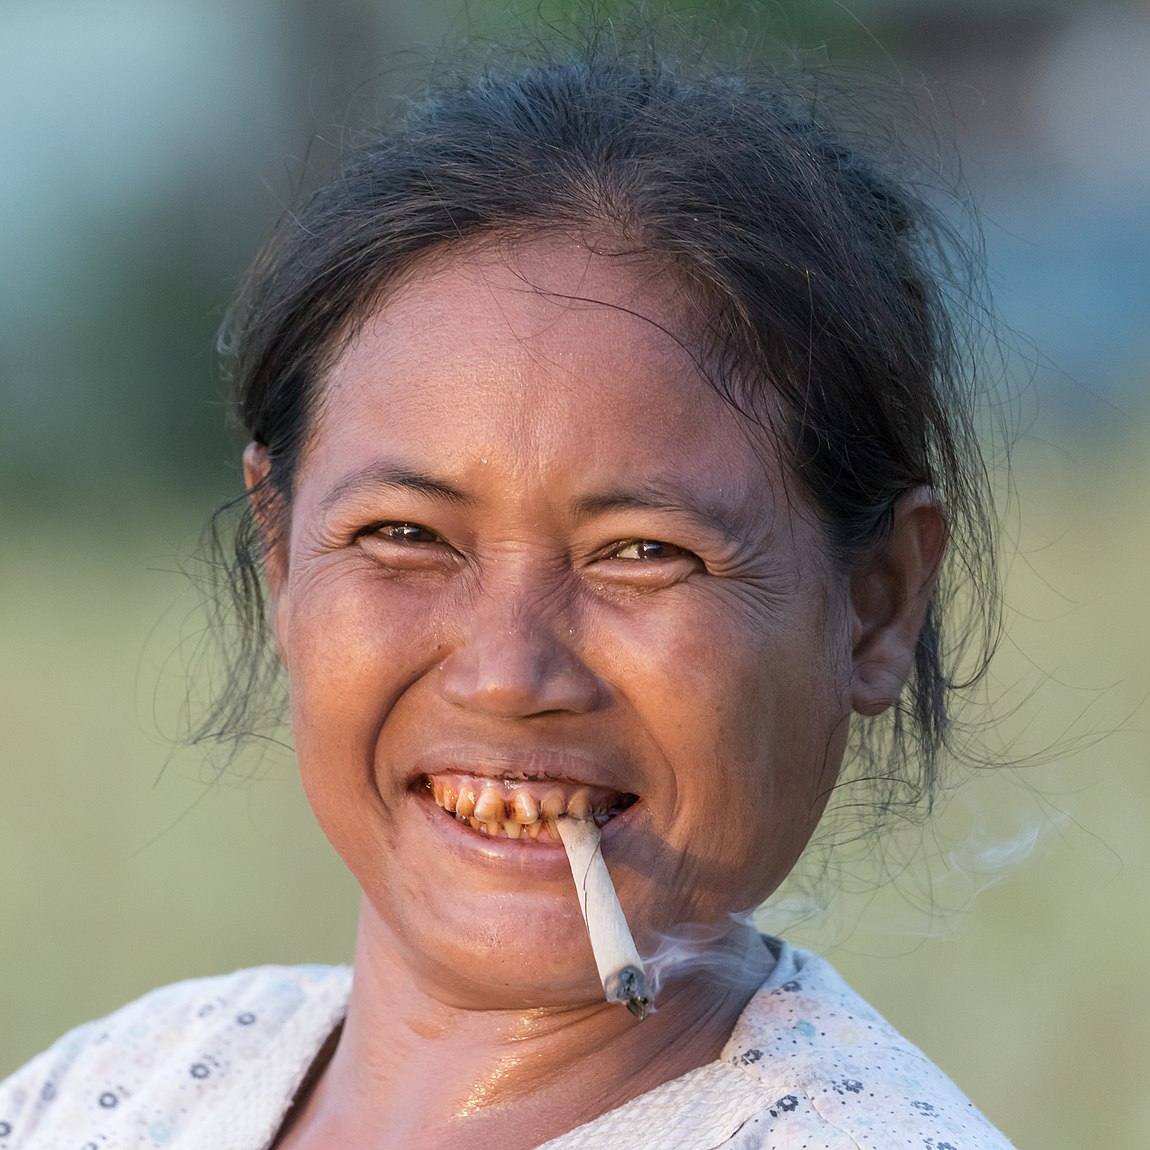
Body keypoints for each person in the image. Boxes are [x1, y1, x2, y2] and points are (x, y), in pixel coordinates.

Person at [0, 33, 1014, 1150]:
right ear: (281, 553)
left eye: (642, 551)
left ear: (876, 603)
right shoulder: (120, 1086)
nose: (507, 673)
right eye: (403, 534)